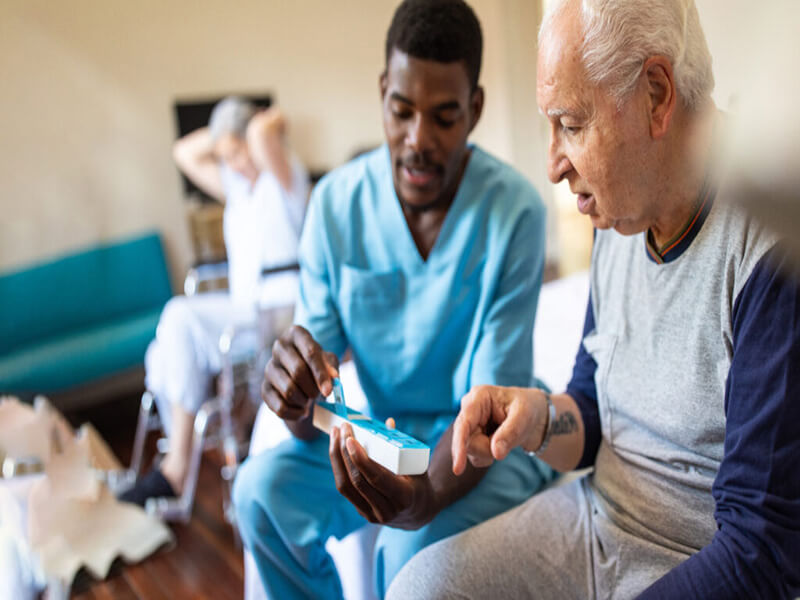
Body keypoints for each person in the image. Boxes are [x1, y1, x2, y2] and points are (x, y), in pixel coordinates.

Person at [386, 0, 800, 598]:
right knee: (418, 589)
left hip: (703, 563)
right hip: (595, 524)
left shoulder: (769, 250)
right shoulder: (621, 216)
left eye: (571, 125)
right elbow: (592, 411)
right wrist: (536, 420)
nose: (553, 164)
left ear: (657, 95)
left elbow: (759, 553)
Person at [232, 1, 556, 598]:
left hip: (482, 453)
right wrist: (295, 397)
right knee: (259, 492)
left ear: (475, 110)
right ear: (383, 92)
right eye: (401, 111)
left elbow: (487, 425)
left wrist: (423, 499)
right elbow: (314, 419)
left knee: (410, 551)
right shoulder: (335, 207)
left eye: (444, 117)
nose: (418, 141)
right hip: (381, 437)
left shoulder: (515, 214)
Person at [120, 97, 309, 505]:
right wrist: (225, 136)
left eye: (238, 153)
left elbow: (260, 133)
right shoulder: (237, 189)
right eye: (225, 157)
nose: (235, 164)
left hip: (278, 313)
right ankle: (178, 468)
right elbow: (183, 152)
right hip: (242, 310)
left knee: (177, 316)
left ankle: (175, 466)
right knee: (163, 349)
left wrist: (254, 123)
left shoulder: (285, 177)